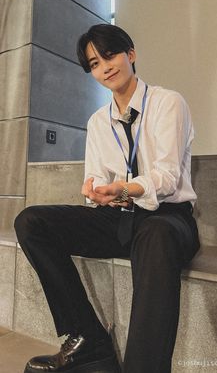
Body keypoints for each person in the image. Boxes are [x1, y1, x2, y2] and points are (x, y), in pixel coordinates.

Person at [14, 23, 200, 373]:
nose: (104, 68)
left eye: (110, 55)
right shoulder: (98, 122)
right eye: (95, 63)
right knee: (31, 221)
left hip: (169, 217)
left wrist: (125, 188)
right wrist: (96, 191)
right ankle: (87, 340)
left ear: (131, 54)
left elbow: (168, 176)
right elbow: (97, 177)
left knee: (155, 233)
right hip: (121, 216)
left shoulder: (167, 103)